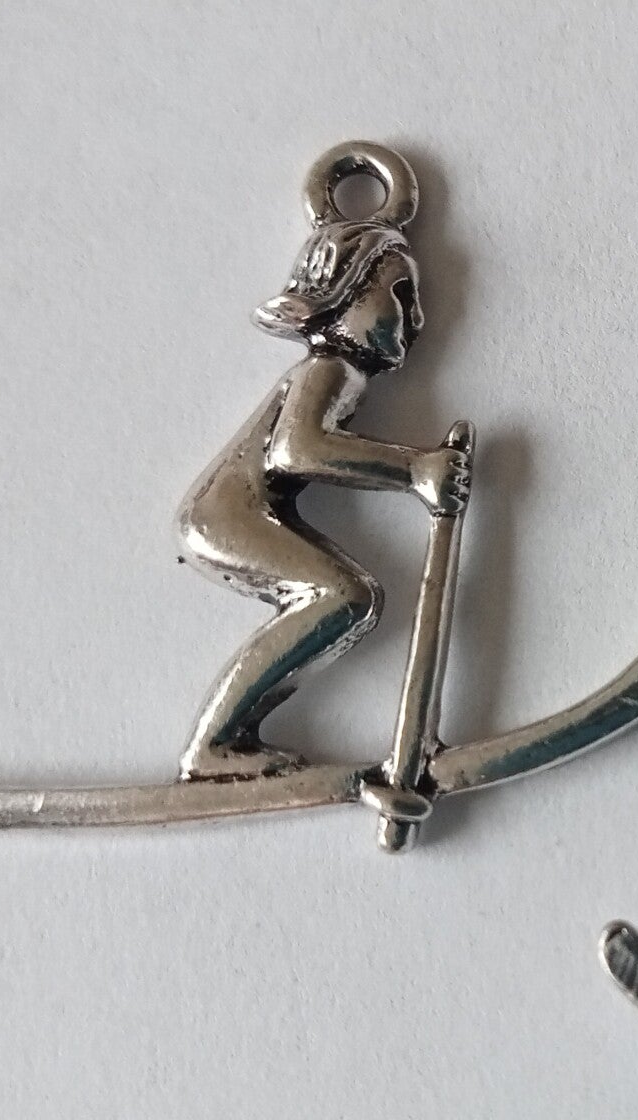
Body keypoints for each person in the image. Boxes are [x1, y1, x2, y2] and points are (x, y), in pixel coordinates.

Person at [173, 189, 470, 780]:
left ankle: (220, 742)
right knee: (343, 598)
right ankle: (213, 746)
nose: (416, 319)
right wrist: (416, 470)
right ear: (346, 296)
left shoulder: (340, 373)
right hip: (227, 517)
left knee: (347, 599)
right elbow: (297, 449)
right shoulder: (329, 369)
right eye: (401, 295)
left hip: (238, 514)